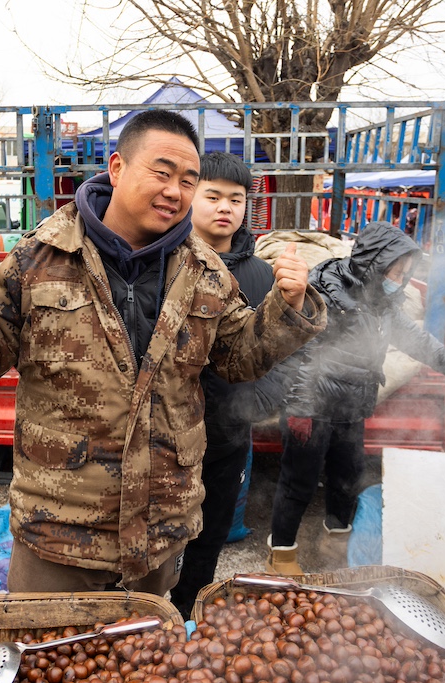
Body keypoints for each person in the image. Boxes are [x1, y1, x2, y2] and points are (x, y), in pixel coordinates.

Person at [0, 110, 327, 595]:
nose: (175, 191)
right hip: (58, 532)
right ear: (116, 168)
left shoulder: (205, 272)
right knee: (43, 642)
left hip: (159, 532)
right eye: (162, 172)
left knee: (145, 640)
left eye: (187, 180)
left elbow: (240, 357)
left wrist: (286, 307)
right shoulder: (39, 258)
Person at [267, 220, 445, 575]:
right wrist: (301, 409)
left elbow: (416, 339)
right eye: (396, 271)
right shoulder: (326, 292)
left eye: (405, 272)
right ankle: (281, 557)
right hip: (312, 406)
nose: (400, 278)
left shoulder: (382, 301)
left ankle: (335, 542)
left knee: (347, 478)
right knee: (298, 483)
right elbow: (300, 352)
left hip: (353, 406)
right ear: (373, 263)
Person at [169, 152, 293, 616]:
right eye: (213, 196)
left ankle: (187, 614)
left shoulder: (260, 275)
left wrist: (256, 401)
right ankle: (145, 615)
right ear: (190, 197)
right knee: (157, 537)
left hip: (226, 438)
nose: (225, 207)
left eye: (236, 199)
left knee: (210, 535)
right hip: (164, 440)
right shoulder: (164, 262)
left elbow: (279, 350)